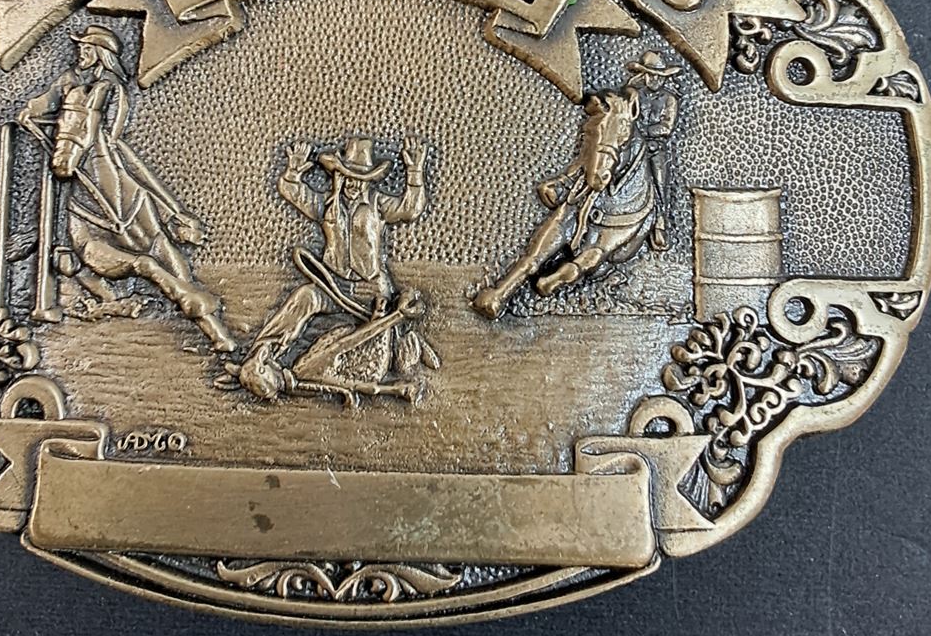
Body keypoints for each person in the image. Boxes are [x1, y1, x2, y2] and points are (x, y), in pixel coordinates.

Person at [20, 25, 235, 352]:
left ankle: (218, 335)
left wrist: (172, 210)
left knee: (167, 253)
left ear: (100, 53)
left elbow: (115, 140)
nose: (81, 53)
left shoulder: (111, 88)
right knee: (57, 213)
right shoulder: (68, 81)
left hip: (101, 153)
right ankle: (58, 256)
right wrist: (32, 111)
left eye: (87, 48)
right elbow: (42, 103)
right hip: (73, 158)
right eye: (80, 48)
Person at [470, 50, 681, 319]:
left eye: (657, 75)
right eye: (649, 74)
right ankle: (566, 186)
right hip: (617, 144)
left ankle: (660, 218)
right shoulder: (633, 92)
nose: (652, 79)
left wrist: (641, 130)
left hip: (650, 148)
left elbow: (665, 128)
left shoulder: (668, 99)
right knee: (594, 154)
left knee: (660, 173)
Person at [235, 136, 435, 402]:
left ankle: (394, 354)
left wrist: (415, 173)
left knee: (378, 330)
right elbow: (293, 192)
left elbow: (410, 209)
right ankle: (260, 359)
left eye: (360, 178)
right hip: (332, 284)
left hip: (370, 288)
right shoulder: (327, 204)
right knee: (304, 297)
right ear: (338, 176)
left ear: (369, 181)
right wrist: (293, 171)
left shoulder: (377, 204)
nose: (352, 183)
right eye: (346, 176)